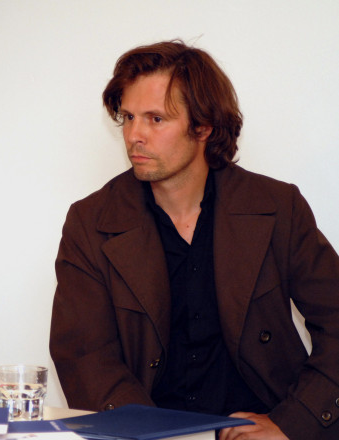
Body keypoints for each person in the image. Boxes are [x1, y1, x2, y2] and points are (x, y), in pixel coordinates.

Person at [49, 40, 339, 440]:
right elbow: (84, 355)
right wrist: (150, 433)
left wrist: (291, 424)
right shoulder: (91, 222)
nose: (134, 135)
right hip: (147, 430)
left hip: (262, 425)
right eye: (128, 117)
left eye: (155, 119)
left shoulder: (277, 207)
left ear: (203, 127)